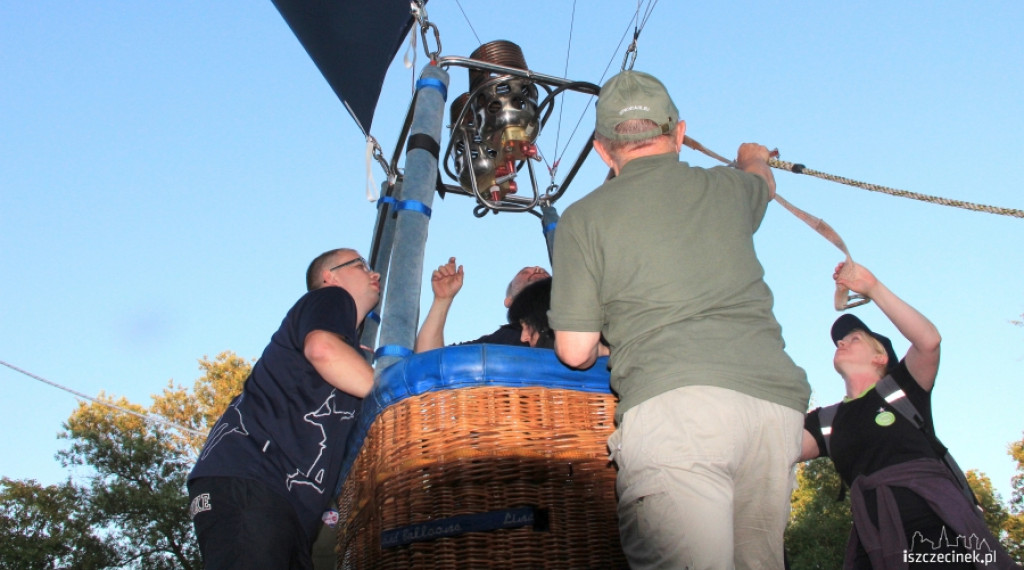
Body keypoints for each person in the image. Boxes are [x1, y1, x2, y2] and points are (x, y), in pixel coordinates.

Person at [549, 69, 810, 570]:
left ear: (603, 151)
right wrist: (753, 156)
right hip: (773, 412)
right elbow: (762, 182)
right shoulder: (730, 189)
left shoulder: (582, 219)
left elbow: (575, 350)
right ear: (680, 133)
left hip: (675, 411)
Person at [801, 262, 1019, 569]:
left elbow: (928, 341)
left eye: (855, 338)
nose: (841, 342)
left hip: (939, 531)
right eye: (841, 340)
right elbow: (777, 447)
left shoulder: (902, 388)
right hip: (876, 541)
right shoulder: (826, 421)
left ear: (881, 357)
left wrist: (872, 287)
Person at [187, 248, 380, 570]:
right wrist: (389, 397)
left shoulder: (352, 354)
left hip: (283, 505)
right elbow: (323, 349)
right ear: (329, 277)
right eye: (360, 265)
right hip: (252, 481)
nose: (374, 274)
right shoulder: (331, 298)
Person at [414, 258, 550, 352]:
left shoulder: (567, 320)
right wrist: (442, 300)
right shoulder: (500, 340)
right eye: (525, 272)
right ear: (509, 301)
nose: (537, 269)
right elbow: (429, 360)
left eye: (543, 271)